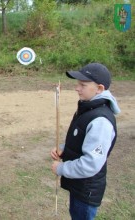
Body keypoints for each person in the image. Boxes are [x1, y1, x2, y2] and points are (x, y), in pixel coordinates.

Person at [50, 63, 121, 220]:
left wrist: (61, 168)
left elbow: (91, 163)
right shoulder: (88, 108)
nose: (77, 88)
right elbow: (82, 142)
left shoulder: (100, 120)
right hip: (79, 185)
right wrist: (64, 149)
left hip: (86, 189)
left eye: (83, 85)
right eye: (78, 84)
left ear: (99, 89)